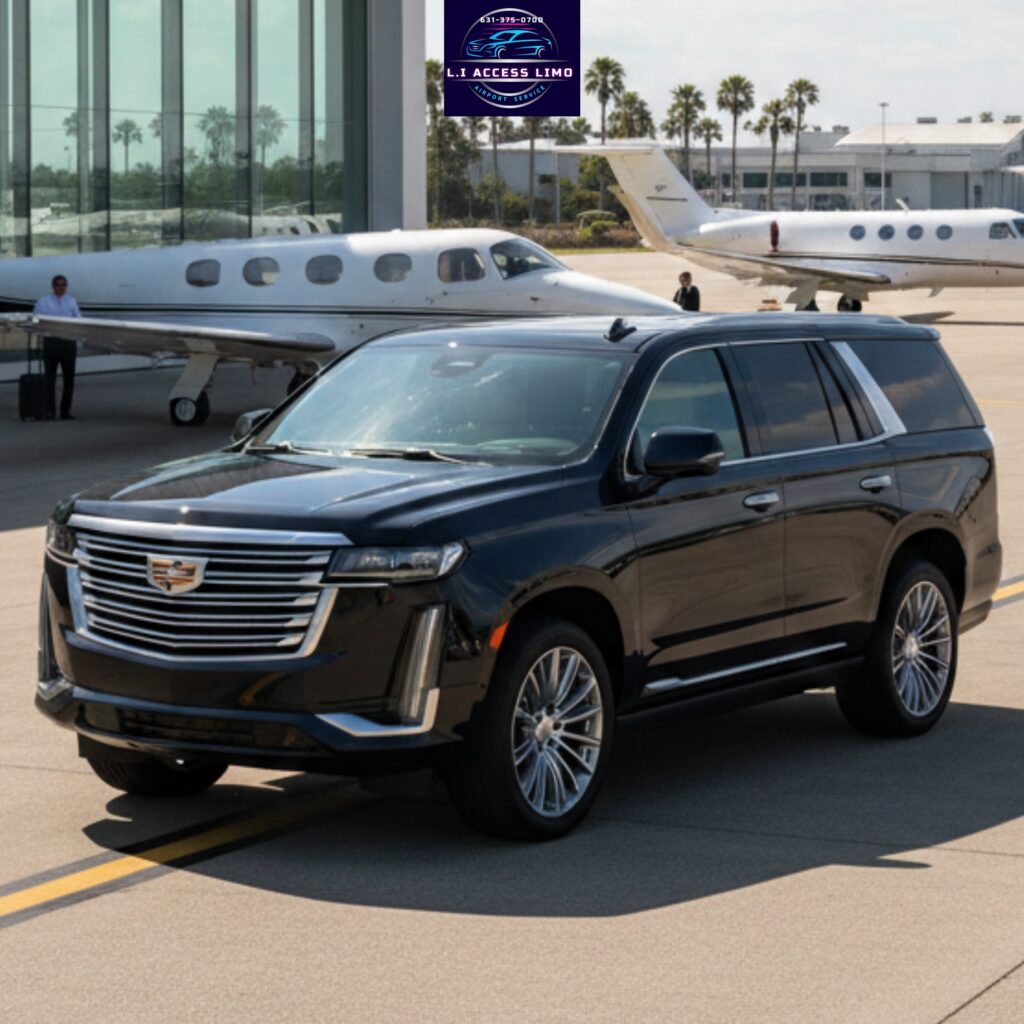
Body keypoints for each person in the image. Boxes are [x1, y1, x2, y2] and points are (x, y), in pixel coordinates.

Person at [33, 274, 81, 420]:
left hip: (68, 342)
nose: (61, 287)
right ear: (53, 286)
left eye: (63, 285)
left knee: (69, 378)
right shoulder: (43, 301)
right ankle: (49, 410)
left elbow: (78, 319)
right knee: (49, 379)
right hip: (51, 342)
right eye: (58, 285)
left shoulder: (71, 301)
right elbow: (36, 319)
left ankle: (65, 410)